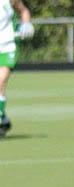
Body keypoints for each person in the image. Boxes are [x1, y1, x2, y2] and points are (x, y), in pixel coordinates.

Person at [0, 0, 33, 137]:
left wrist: (26, 24)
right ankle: (3, 119)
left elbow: (24, 11)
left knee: (0, 83)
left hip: (8, 47)